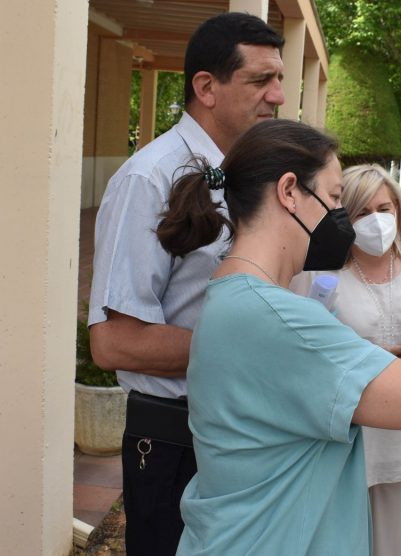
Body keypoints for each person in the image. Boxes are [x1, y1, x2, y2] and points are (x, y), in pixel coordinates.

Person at [154, 119, 401, 555]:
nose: (342, 217)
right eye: (336, 197)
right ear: (289, 192)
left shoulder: (237, 298)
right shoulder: (275, 317)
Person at [87, 13, 285, 554]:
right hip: (179, 437)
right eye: (261, 81)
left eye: (281, 79)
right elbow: (115, 342)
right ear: (206, 87)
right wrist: (260, 351)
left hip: (245, 426)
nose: (279, 96)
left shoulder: (251, 174)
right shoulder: (148, 179)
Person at [290, 163, 401, 555]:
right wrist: (368, 358)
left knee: (396, 546)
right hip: (344, 436)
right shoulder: (317, 272)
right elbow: (297, 350)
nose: (377, 221)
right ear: (343, 218)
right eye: (362, 212)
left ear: (398, 211)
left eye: (384, 209)